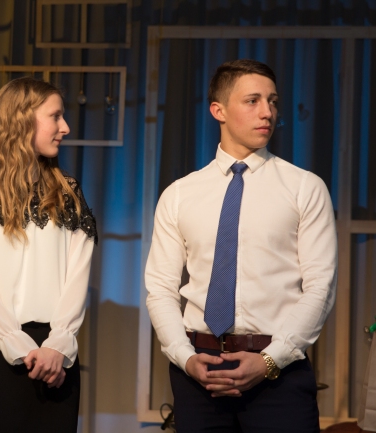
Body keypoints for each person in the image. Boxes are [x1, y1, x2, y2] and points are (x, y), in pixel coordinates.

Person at [145, 59, 337, 432]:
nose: (268, 112)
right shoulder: (180, 194)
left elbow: (320, 287)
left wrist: (270, 361)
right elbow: (160, 289)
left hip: (279, 372)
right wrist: (185, 358)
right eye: (253, 101)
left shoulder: (304, 188)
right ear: (218, 110)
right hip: (199, 372)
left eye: (273, 101)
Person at [0, 77, 97, 432]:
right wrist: (18, 346)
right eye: (55, 116)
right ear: (21, 120)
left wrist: (59, 343)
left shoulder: (69, 192)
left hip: (57, 359)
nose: (65, 127)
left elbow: (78, 275)